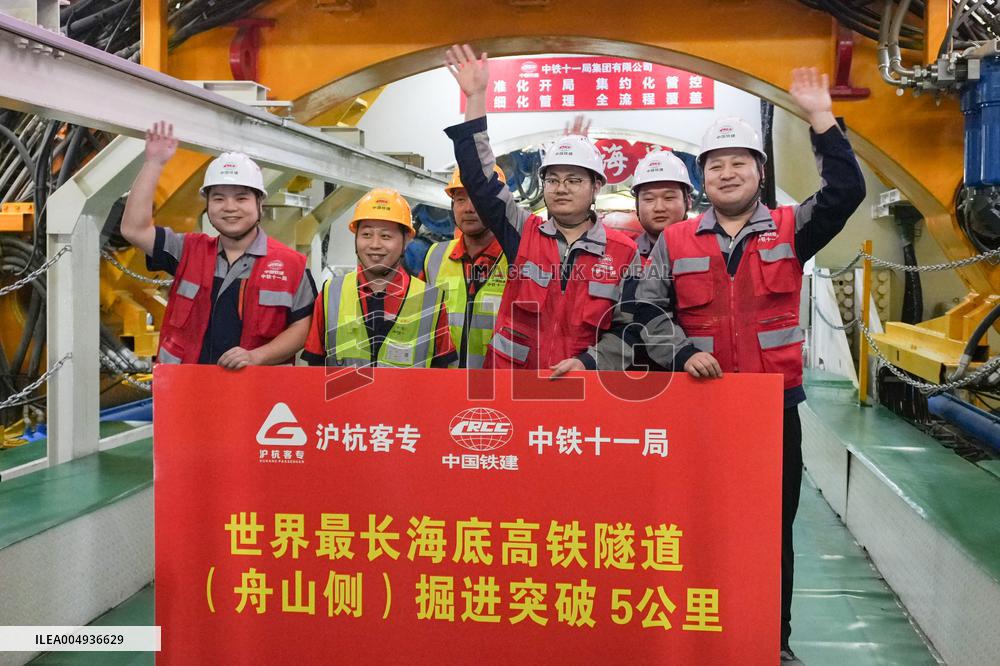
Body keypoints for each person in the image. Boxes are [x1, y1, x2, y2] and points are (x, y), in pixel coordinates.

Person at [632, 68, 866, 663]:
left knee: (770, 530)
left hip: (771, 411)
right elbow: (642, 310)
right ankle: (694, 636)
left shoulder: (791, 230)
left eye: (739, 162)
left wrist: (820, 118)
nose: (727, 173)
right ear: (701, 179)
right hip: (698, 407)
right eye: (715, 164)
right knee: (694, 525)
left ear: (760, 174)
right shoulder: (676, 240)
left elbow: (845, 192)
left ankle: (772, 643)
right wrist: (684, 352)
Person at [444, 44, 640, 377]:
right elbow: (480, 181)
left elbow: (632, 327)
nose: (561, 188)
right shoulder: (523, 232)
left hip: (585, 392)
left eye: (574, 180)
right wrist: (476, 97)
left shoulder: (624, 252)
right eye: (553, 179)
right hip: (510, 388)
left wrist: (589, 362)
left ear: (596, 187)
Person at [120, 122, 315, 368]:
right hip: (187, 390)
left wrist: (257, 356)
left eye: (241, 198)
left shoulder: (291, 265)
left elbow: (303, 326)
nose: (230, 207)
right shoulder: (187, 251)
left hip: (256, 395)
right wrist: (153, 163)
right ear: (208, 205)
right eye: (219, 198)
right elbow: (134, 229)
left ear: (259, 205)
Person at [301, 188, 457, 368]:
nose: (375, 245)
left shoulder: (431, 300)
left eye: (386, 236)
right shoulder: (331, 293)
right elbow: (314, 369)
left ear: (406, 240)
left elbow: (443, 376)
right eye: (366, 234)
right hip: (344, 396)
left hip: (408, 397)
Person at [422, 166, 509, 369]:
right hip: (443, 387)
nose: (469, 208)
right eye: (461, 199)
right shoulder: (434, 256)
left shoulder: (518, 259)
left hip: (498, 388)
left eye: (478, 199)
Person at [630, 150, 693, 264]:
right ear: (637, 205)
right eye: (649, 199)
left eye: (669, 197)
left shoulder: (707, 249)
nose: (659, 208)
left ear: (688, 201)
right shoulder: (627, 255)